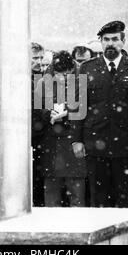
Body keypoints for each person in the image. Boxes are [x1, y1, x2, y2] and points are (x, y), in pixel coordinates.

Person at [71, 21, 128, 208]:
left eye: (114, 39)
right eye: (106, 40)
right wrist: (76, 139)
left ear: (123, 41)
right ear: (101, 42)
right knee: (98, 198)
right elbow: (77, 106)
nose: (110, 43)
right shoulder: (86, 68)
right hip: (95, 141)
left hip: (126, 142)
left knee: (125, 197)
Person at [35, 51, 87, 207]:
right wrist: (47, 113)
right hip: (51, 143)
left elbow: (86, 107)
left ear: (72, 69)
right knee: (51, 192)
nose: (62, 78)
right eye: (59, 75)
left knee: (76, 192)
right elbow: (37, 108)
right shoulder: (43, 81)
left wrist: (67, 113)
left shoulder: (81, 79)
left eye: (66, 75)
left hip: (74, 140)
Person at [31, 42, 46, 206]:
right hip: (25, 139)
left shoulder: (44, 78)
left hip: (42, 139)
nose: (39, 61)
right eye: (35, 58)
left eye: (41, 57)